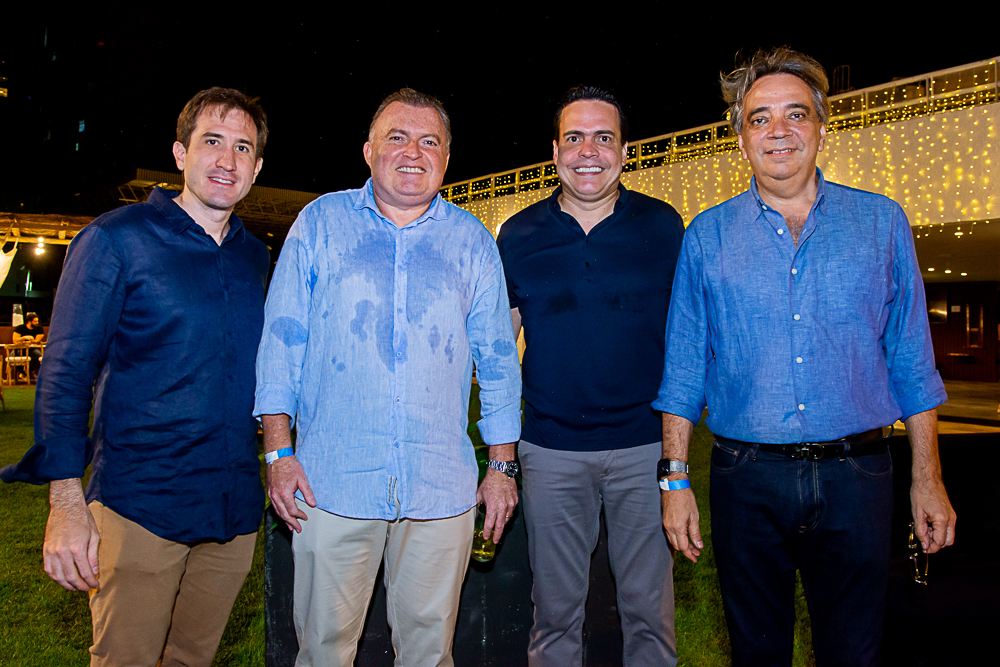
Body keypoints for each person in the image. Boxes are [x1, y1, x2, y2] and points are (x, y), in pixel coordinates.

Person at [655, 47, 957, 666]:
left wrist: (928, 478)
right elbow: (683, 370)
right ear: (740, 138)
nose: (779, 131)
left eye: (795, 114)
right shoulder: (706, 235)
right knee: (755, 654)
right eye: (759, 118)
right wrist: (675, 481)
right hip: (745, 480)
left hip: (858, 477)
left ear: (821, 126)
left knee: (854, 654)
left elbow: (912, 361)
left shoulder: (882, 223)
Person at [1, 87, 270, 667]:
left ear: (257, 168)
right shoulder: (116, 239)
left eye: (243, 147)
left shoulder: (255, 258)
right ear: (180, 153)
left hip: (232, 510)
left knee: (192, 660)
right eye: (212, 141)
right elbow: (66, 370)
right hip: (140, 506)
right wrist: (66, 502)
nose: (227, 159)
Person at [255, 88, 522, 667]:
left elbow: (499, 361)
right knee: (323, 652)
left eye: (430, 141)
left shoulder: (473, 241)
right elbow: (280, 342)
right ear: (369, 150)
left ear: (447, 158)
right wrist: (278, 452)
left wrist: (502, 467)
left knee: (429, 655)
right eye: (397, 137)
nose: (412, 152)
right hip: (331, 486)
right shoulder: (320, 224)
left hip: (439, 491)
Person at [496, 86, 685, 666]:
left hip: (643, 449)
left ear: (624, 151)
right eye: (574, 137)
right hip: (550, 450)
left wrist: (676, 463)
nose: (589, 150)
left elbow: (686, 340)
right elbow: (500, 348)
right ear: (554, 151)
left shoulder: (663, 227)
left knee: (650, 617)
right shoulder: (518, 234)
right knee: (555, 618)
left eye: (604, 137)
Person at [12, 311, 45, 379]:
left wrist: (29, 340)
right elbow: (14, 340)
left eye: (37, 321)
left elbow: (37, 340)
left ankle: (29, 372)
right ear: (29, 322)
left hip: (32, 349)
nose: (37, 323)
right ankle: (23, 373)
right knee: (12, 357)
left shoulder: (39, 328)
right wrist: (24, 337)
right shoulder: (20, 328)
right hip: (20, 348)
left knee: (39, 357)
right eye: (35, 321)